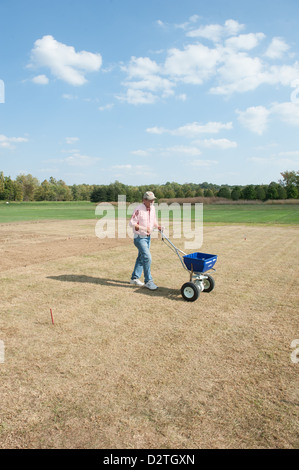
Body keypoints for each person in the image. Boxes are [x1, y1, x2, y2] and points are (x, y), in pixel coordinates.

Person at [129, 191, 161, 290]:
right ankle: (148, 281)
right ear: (144, 200)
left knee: (141, 257)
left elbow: (153, 220)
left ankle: (134, 278)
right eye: (150, 200)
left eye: (153, 200)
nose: (152, 202)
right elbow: (131, 223)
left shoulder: (153, 208)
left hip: (148, 237)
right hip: (139, 238)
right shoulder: (138, 209)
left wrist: (158, 226)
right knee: (147, 257)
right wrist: (144, 228)